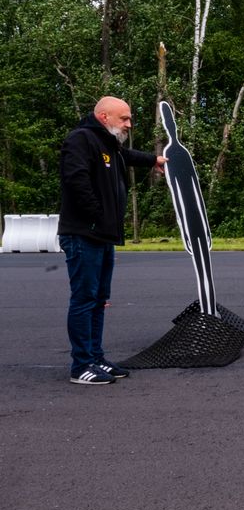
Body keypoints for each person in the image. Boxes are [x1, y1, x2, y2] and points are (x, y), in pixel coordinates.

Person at [57, 96, 167, 385]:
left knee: (99, 299)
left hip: (102, 235)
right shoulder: (81, 139)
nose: (129, 124)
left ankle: (95, 357)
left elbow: (126, 156)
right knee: (84, 299)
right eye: (125, 118)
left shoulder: (109, 144)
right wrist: (95, 215)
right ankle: (80, 366)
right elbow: (75, 179)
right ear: (104, 116)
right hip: (84, 234)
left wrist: (154, 160)